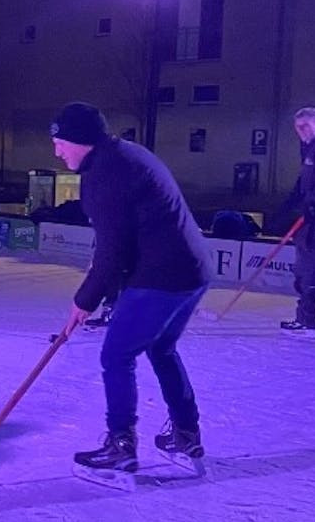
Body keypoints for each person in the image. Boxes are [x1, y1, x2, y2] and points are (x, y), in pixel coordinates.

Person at [50, 102, 212, 479]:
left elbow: (111, 252)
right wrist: (96, 292)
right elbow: (116, 241)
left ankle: (120, 445)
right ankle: (186, 433)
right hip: (192, 271)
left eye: (60, 143)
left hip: (163, 275)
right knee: (161, 347)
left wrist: (84, 300)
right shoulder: (123, 155)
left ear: (81, 141)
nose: (56, 152)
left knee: (116, 355)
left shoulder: (104, 175)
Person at [272, 107, 315, 339]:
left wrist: (312, 205)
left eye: (305, 127)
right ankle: (303, 317)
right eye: (298, 128)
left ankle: (308, 322)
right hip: (308, 220)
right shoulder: (309, 148)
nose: (301, 132)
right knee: (302, 270)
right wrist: (288, 205)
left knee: (309, 270)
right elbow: (304, 183)